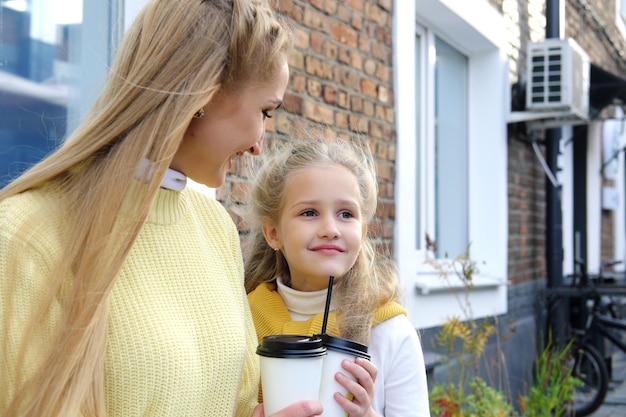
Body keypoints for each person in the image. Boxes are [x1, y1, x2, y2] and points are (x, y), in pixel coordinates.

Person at [0, 0, 323, 416]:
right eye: (265, 111)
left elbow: (238, 403)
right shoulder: (26, 234)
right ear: (202, 93)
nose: (261, 143)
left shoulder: (215, 227)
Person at [244, 136, 431, 417]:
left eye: (346, 213)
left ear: (363, 231)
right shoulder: (242, 318)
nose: (330, 228)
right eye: (309, 212)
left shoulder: (389, 331)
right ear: (273, 233)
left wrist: (366, 414)